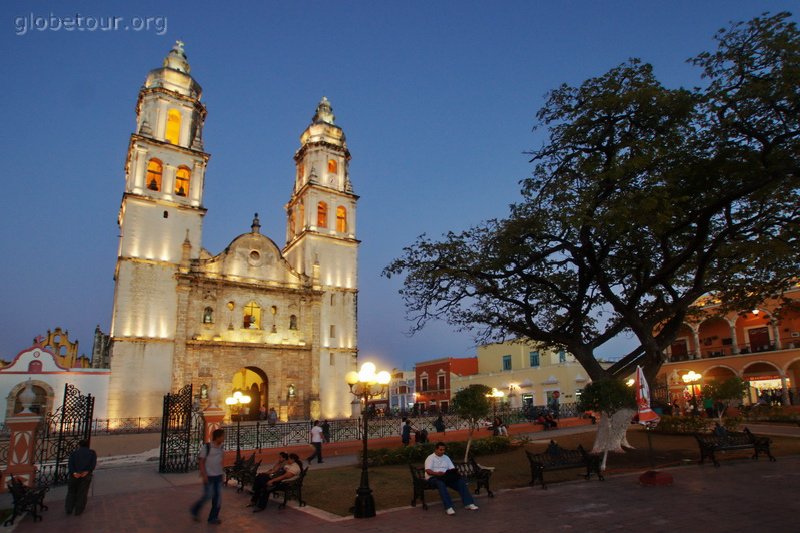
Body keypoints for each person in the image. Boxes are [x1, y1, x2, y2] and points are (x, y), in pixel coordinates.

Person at [424, 442, 479, 515]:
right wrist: (437, 473)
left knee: (460, 482)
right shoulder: (430, 458)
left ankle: (468, 503)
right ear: (436, 450)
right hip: (433, 477)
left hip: (446, 477)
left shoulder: (446, 457)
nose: (442, 451)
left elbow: (452, 468)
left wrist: (454, 474)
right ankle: (449, 507)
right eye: (440, 450)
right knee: (441, 484)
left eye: (443, 450)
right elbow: (428, 471)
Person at [190, 428, 225, 525]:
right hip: (209, 476)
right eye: (222, 436)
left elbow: (221, 460)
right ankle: (195, 509)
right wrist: (204, 474)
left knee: (218, 498)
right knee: (208, 496)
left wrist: (222, 473)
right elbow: (201, 461)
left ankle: (213, 517)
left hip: (218, 475)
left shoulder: (221, 447)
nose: (223, 438)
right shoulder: (207, 447)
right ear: (217, 437)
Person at [65, 439, 97, 516]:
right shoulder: (92, 453)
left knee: (71, 492)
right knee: (82, 493)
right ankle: (78, 510)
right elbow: (93, 464)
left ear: (79, 445)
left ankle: (69, 508)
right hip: (85, 475)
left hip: (74, 476)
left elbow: (70, 464)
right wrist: (87, 471)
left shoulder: (74, 453)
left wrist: (74, 472)